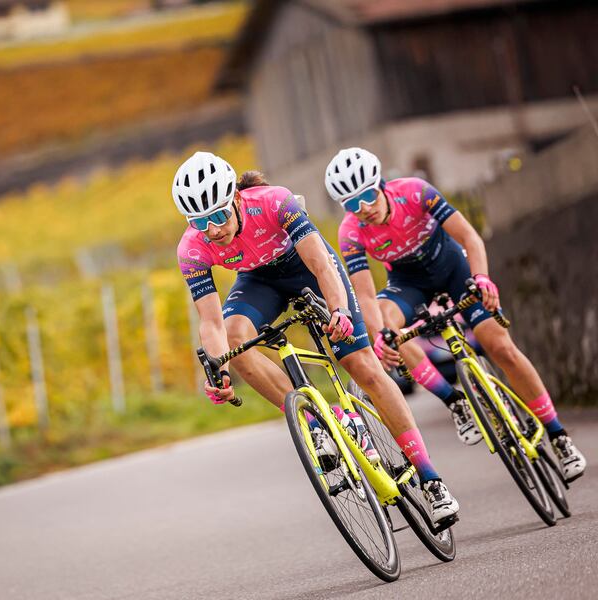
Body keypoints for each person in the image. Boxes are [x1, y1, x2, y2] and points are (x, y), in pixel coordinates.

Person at [173, 151, 459, 524]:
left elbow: (321, 264)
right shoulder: (191, 248)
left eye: (218, 216)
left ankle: (430, 478)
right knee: (233, 343)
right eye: (200, 221)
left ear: (237, 199)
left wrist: (339, 310)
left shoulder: (275, 201)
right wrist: (220, 368)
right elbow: (210, 322)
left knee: (362, 366)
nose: (212, 230)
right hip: (259, 281)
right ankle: (316, 424)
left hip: (307, 268)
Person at [327, 147, 586, 482]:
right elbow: (363, 294)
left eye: (367, 195)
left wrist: (481, 278)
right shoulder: (350, 232)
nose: (364, 208)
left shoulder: (415, 192)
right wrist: (379, 335)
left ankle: (558, 435)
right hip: (408, 283)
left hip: (453, 268)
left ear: (381, 184)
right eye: (352, 204)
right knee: (387, 327)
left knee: (500, 345)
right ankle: (455, 402)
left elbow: (468, 236)